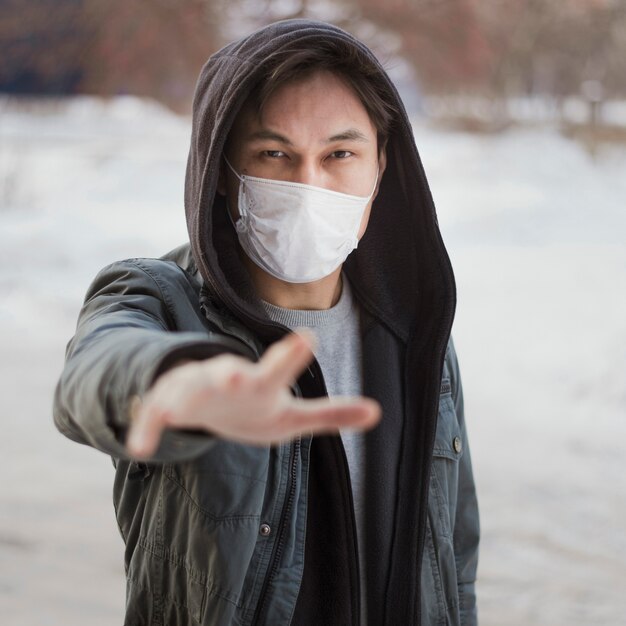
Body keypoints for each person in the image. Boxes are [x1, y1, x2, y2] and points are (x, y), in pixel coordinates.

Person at [53, 18, 479, 626]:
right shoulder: (161, 300)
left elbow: (452, 561)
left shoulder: (416, 332)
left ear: (380, 169)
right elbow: (92, 375)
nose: (310, 184)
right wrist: (172, 383)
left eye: (340, 154)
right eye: (275, 154)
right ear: (223, 172)